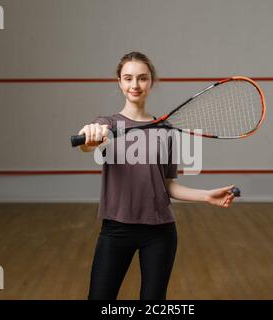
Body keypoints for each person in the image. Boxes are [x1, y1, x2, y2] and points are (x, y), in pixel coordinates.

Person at [78, 51, 236, 300]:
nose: (135, 85)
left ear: (151, 82)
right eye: (128, 78)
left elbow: (168, 185)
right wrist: (89, 135)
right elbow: (89, 144)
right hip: (116, 230)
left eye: (142, 78)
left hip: (160, 232)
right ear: (119, 82)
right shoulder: (107, 123)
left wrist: (206, 196)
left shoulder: (165, 130)